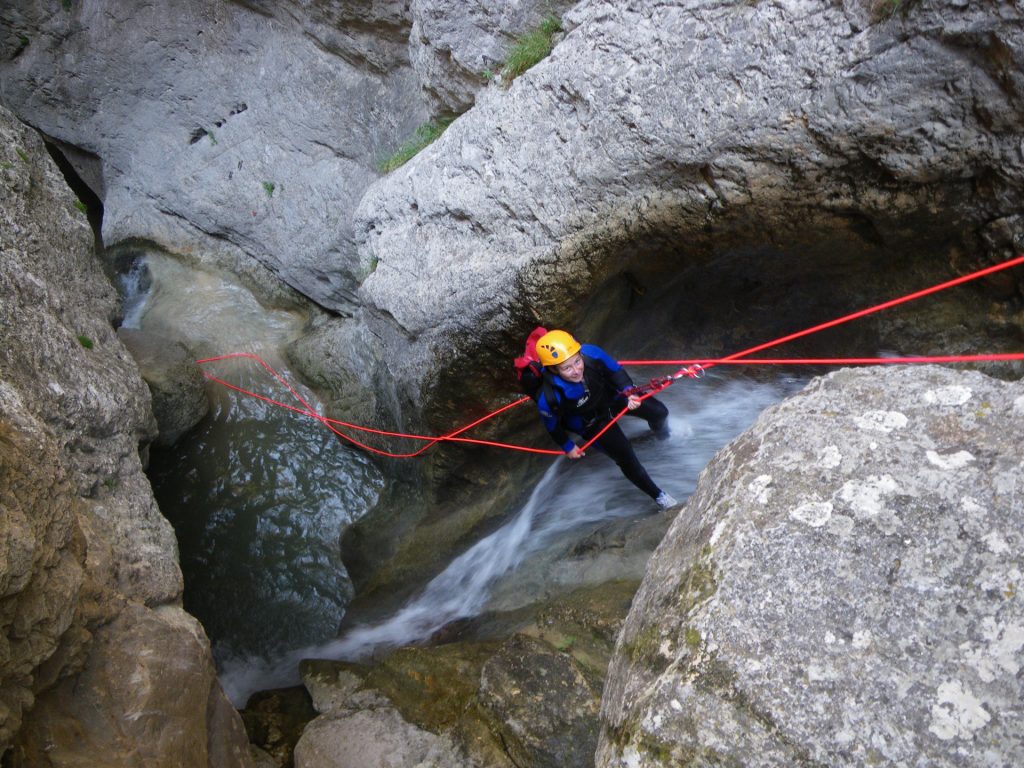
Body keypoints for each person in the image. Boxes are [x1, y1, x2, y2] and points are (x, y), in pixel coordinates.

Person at [533, 329, 678, 509]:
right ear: (554, 369)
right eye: (567, 368)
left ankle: (663, 436)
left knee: (659, 412)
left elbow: (616, 371)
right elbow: (552, 425)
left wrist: (628, 392)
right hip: (591, 422)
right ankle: (659, 497)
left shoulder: (591, 354)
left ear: (580, 353)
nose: (576, 370)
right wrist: (568, 446)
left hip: (613, 397)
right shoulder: (548, 399)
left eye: (577, 361)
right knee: (626, 456)